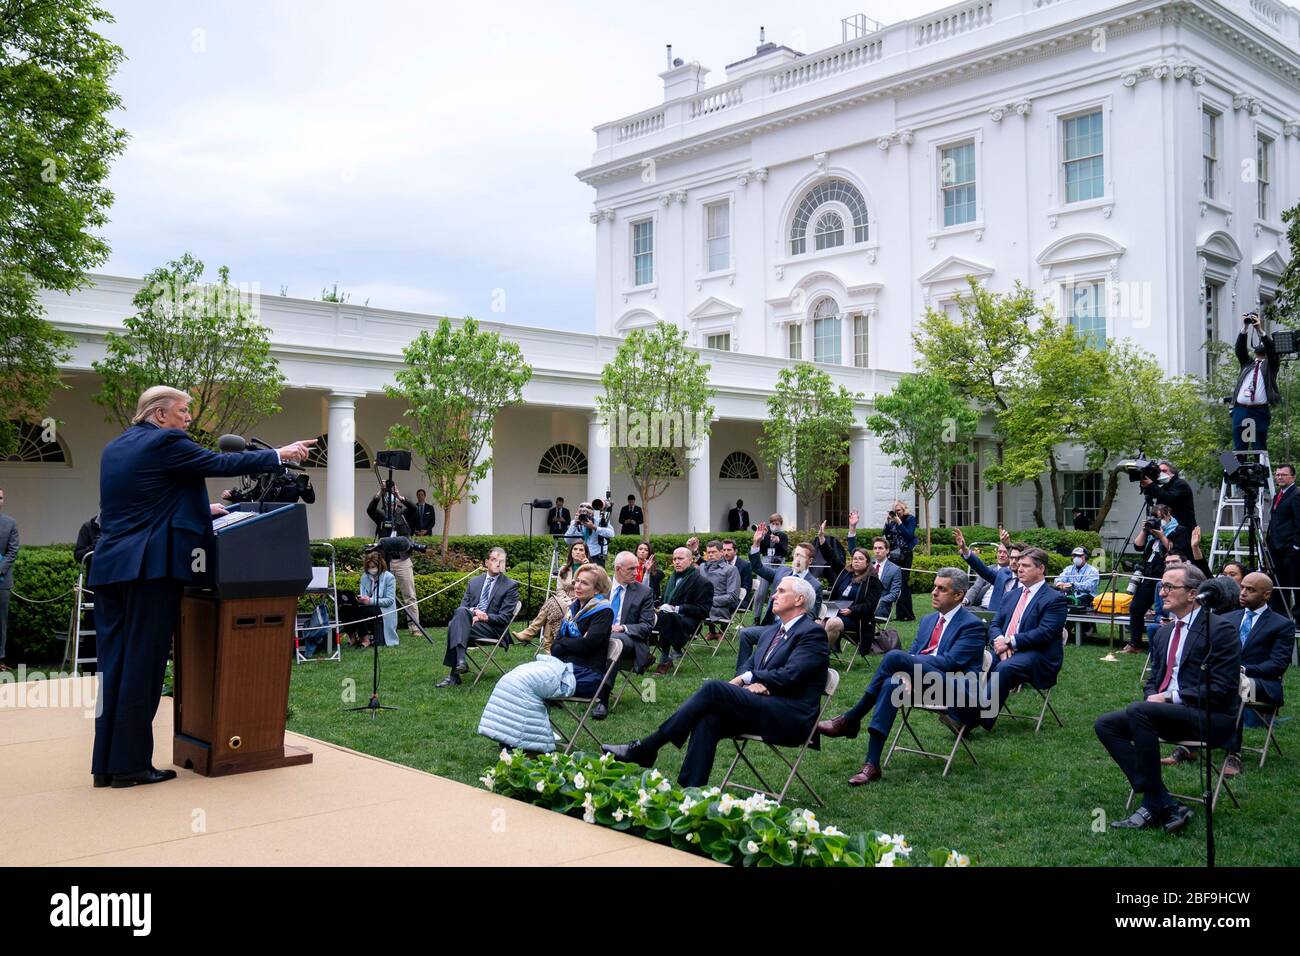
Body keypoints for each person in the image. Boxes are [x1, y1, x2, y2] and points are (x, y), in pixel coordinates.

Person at [89, 385, 314, 788]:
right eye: (184, 410)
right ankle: (129, 767)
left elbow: (144, 502)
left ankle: (108, 764)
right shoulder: (167, 441)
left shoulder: (116, 447)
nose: (188, 418)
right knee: (144, 666)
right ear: (160, 415)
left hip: (111, 570)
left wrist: (199, 509)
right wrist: (281, 454)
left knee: (116, 668)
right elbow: (219, 462)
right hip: (149, 571)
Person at [602, 576, 829, 787]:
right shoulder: (772, 631)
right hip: (761, 705)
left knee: (713, 688)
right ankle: (689, 792)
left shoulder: (812, 633)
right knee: (708, 719)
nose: (773, 595)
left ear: (799, 599)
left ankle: (648, 747)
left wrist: (748, 679)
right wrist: (750, 679)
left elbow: (792, 674)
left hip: (790, 716)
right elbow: (748, 664)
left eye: (780, 591)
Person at [1095, 565, 1240, 833]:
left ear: (1193, 593)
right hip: (1162, 716)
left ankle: (1153, 804)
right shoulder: (1163, 633)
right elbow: (1153, 681)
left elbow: (1222, 687)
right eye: (1162, 586)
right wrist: (1154, 696)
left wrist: (1170, 697)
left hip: (1208, 716)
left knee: (1139, 711)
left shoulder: (1219, 630)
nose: (1162, 593)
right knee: (1106, 724)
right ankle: (1161, 800)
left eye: (1169, 587)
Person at [818, 568, 987, 786]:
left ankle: (852, 718)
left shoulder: (972, 626)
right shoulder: (928, 620)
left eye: (941, 589)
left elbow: (950, 663)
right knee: (891, 684)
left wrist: (908, 667)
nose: (934, 592)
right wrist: (907, 671)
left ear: (958, 595)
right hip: (924, 681)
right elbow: (913, 656)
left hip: (956, 690)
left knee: (896, 657)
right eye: (934, 586)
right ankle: (872, 764)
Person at [1169, 572, 1293, 777]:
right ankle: (1190, 745)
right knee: (1195, 680)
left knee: (1233, 685)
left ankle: (1233, 754)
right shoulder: (1226, 619)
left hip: (1261, 685)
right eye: (1242, 587)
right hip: (1226, 679)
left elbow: (1277, 665)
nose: (1242, 593)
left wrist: (1241, 669)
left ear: (1267, 595)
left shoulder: (1281, 625)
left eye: (1251, 590)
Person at [980, 547, 1069, 729]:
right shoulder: (1011, 595)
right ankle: (961, 710)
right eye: (1019, 565)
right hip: (1006, 650)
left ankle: (978, 719)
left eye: (1026, 566)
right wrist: (999, 641)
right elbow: (995, 624)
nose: (1019, 569)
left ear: (1041, 569)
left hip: (1040, 656)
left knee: (1004, 668)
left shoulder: (1055, 599)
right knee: (976, 660)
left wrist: (1010, 641)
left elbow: (1045, 633)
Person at [437, 547, 520, 687]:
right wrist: (475, 613)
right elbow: (463, 607)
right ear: (486, 562)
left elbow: (504, 618)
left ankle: (455, 673)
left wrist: (483, 617)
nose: (498, 564)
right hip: (471, 623)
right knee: (461, 616)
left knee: (454, 625)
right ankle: (460, 663)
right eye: (494, 560)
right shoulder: (474, 582)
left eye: (502, 561)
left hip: (493, 628)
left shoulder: (510, 586)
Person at [1124, 503, 1190, 653]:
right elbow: (1138, 546)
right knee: (1136, 608)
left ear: (1167, 515)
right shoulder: (1150, 533)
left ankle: (1170, 640)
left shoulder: (1179, 530)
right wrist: (1144, 530)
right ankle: (1135, 644)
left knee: (1166, 611)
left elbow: (1177, 551)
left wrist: (1162, 536)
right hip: (1148, 576)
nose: (1156, 520)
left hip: (1168, 577)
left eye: (1158, 517)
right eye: (1153, 517)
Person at [821, 521, 882, 654]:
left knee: (831, 624)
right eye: (854, 558)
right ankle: (810, 654)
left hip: (857, 619)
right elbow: (831, 557)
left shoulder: (872, 581)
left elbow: (869, 606)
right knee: (816, 623)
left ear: (867, 562)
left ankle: (820, 656)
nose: (856, 561)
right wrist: (822, 539)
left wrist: (851, 610)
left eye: (861, 559)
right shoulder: (846, 573)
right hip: (836, 611)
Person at [516, 540, 589, 650]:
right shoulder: (564, 569)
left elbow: (588, 590)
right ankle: (547, 647)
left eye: (581, 550)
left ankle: (532, 633)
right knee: (554, 608)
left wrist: (586, 566)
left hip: (579, 604)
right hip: (563, 601)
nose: (577, 552)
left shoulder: (589, 569)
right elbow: (559, 590)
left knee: (552, 603)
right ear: (571, 552)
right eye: (575, 549)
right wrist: (567, 601)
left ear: (586, 554)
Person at [651, 547, 713, 676]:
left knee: (666, 617)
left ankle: (665, 656)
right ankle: (642, 654)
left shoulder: (702, 583)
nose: (677, 562)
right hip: (668, 618)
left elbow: (703, 611)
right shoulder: (672, 579)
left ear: (691, 560)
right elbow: (664, 601)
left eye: (680, 559)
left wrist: (677, 609)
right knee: (649, 615)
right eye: (674, 559)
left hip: (688, 621)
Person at [749, 529, 823, 626]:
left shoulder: (815, 586)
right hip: (771, 626)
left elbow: (811, 616)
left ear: (810, 561)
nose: (797, 559)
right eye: (796, 555)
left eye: (801, 556)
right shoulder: (781, 572)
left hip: (793, 630)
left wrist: (789, 624)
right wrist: (756, 543)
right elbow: (757, 567)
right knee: (745, 634)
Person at [1231, 312, 1278, 452]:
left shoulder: (1271, 365)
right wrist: (1245, 328)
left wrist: (1259, 330)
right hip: (1240, 409)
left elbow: (1271, 350)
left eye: (1262, 342)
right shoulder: (1247, 364)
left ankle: (1261, 473)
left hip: (1259, 411)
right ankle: (1235, 473)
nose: (1260, 344)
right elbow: (1240, 350)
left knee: (1259, 447)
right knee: (1239, 448)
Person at [608, 551, 657, 679]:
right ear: (618, 569)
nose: (636, 573)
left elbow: (646, 626)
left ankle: (603, 692)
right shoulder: (602, 587)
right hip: (598, 634)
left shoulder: (644, 592)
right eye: (631, 569)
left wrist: (622, 628)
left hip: (628, 639)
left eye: (637, 568)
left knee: (612, 640)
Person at [954, 528, 1019, 614]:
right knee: (956, 610)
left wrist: (1008, 545)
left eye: (1005, 552)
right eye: (999, 552)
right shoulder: (991, 571)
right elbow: (976, 586)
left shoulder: (1015, 574)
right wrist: (965, 549)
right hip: (980, 608)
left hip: (999, 613)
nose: (1001, 555)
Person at [1266, 462, 1300, 620]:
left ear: (1293, 477)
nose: (1279, 477)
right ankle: (1280, 616)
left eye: (1283, 474)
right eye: (1277, 474)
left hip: (1290, 550)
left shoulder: (1296, 494)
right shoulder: (1277, 496)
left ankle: (1298, 618)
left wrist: (1296, 546)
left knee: (1295, 584)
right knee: (1278, 584)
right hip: (1276, 549)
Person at [883, 500, 918, 621]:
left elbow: (909, 535)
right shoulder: (892, 521)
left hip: (905, 555)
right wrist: (888, 522)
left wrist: (899, 523)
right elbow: (886, 536)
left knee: (903, 583)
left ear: (904, 510)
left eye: (899, 510)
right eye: (895, 510)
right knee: (893, 583)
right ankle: (893, 614)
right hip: (893, 555)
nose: (897, 513)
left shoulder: (910, 519)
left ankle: (906, 614)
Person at [699, 540, 741, 637]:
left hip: (721, 608)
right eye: (708, 552)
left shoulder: (731, 569)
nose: (710, 555)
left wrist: (709, 601)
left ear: (721, 552)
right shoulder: (702, 567)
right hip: (702, 605)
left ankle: (719, 632)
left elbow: (733, 596)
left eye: (713, 552)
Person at [1140, 461, 1197, 532]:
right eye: (1159, 471)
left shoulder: (1180, 484)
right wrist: (1147, 488)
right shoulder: (1165, 487)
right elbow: (1155, 500)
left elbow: (1167, 497)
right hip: (1171, 530)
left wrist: (1151, 485)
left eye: (1164, 471)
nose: (1161, 473)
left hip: (1184, 529)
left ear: (1173, 473)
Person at [357, 551, 398, 647]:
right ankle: (355, 638)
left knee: (362, 612)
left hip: (384, 609)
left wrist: (370, 601)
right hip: (368, 606)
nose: (371, 570)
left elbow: (389, 601)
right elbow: (364, 594)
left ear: (379, 566)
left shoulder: (389, 577)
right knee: (351, 610)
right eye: (369, 567)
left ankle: (366, 639)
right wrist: (361, 599)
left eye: (373, 567)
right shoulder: (364, 577)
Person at [565, 501, 614, 567]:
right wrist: (574, 525)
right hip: (580, 556)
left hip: (596, 556)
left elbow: (611, 534)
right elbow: (567, 540)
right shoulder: (574, 522)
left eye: (588, 507)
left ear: (593, 512)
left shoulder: (599, 521)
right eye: (581, 506)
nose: (584, 509)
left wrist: (594, 527)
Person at [869, 536, 905, 623]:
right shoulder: (868, 565)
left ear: (887, 550)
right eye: (875, 548)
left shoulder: (895, 569)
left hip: (881, 607)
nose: (877, 551)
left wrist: (879, 601)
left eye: (880, 548)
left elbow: (894, 594)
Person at [0, 489, 16, 672]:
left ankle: (0, 660)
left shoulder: (10, 523)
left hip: (2, 581)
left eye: (1, 497)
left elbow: (13, 551)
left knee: (1, 623)